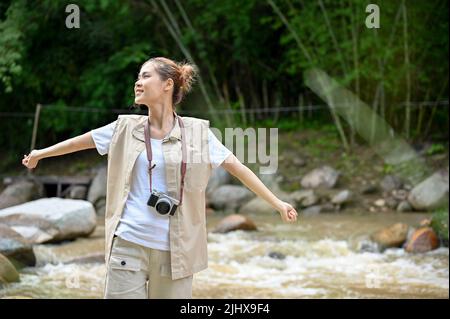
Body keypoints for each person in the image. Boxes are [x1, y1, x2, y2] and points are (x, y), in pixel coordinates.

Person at [21, 57, 298, 299]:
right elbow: (82, 142)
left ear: (168, 85)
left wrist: (277, 203)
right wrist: (41, 153)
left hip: (175, 253)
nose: (137, 82)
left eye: (145, 76)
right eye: (137, 77)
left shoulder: (198, 133)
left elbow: (238, 168)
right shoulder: (125, 127)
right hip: (128, 245)